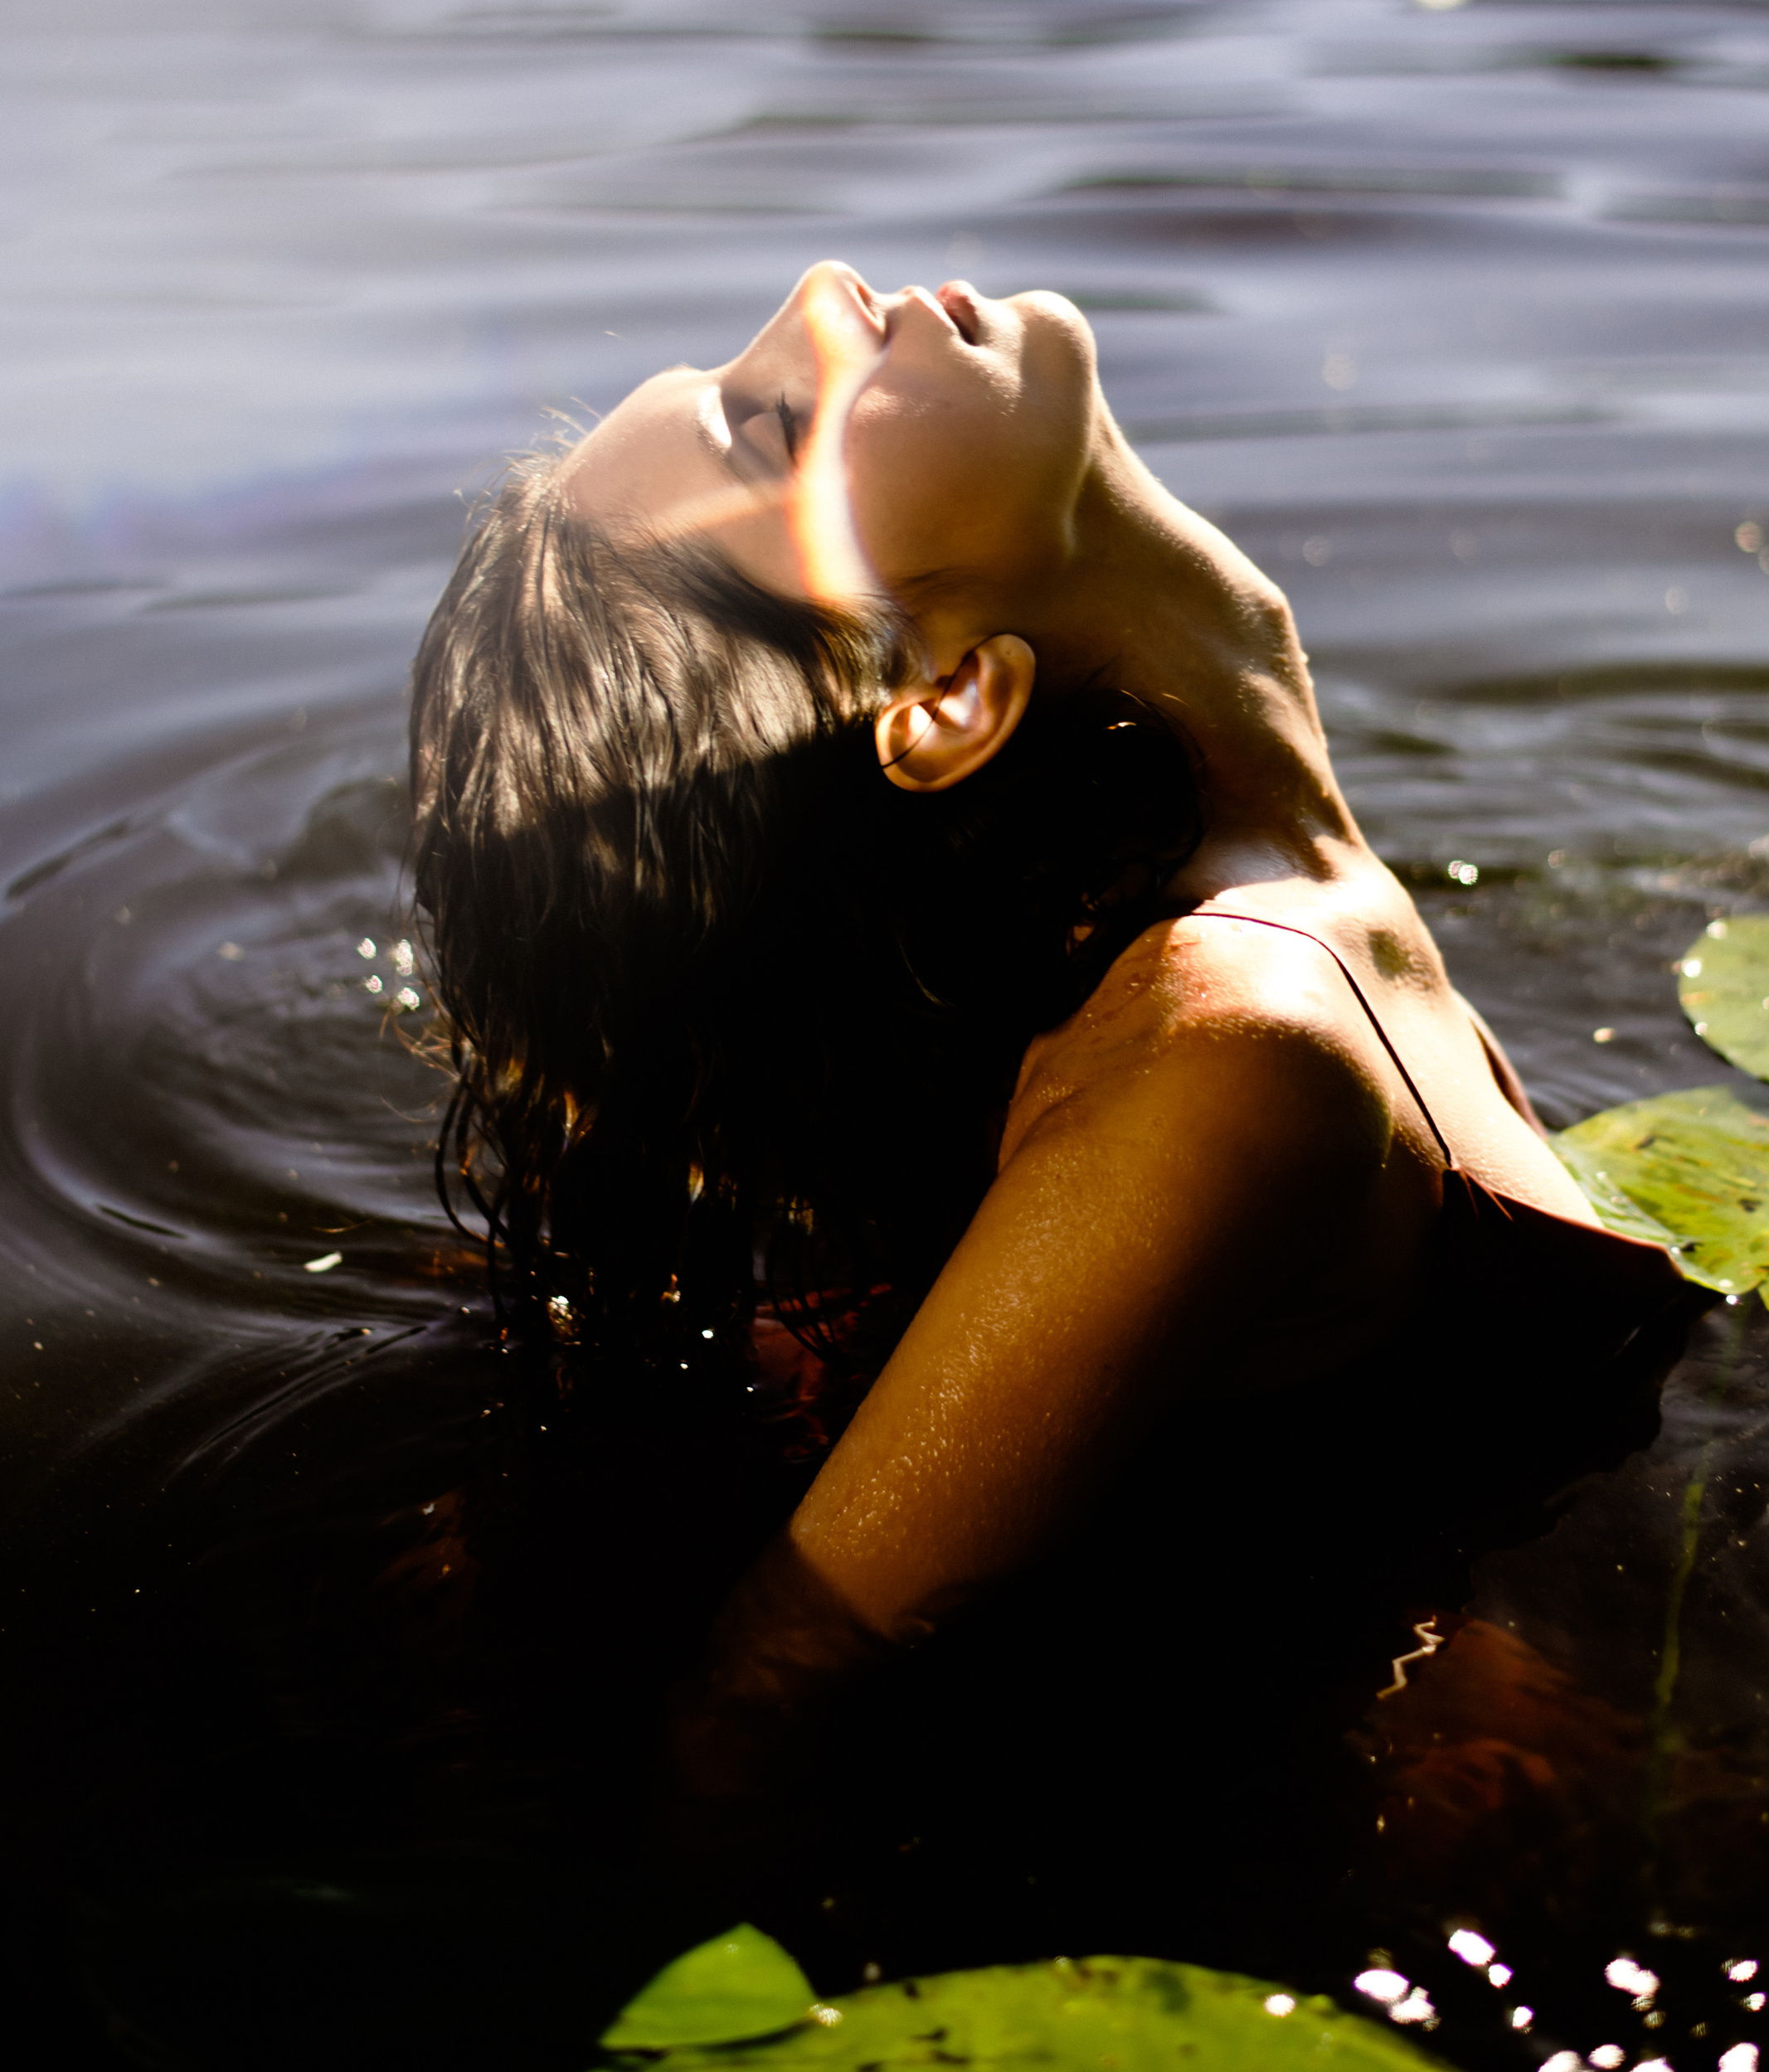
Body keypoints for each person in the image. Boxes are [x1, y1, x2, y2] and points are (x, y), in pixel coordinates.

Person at [410, 261, 1693, 1953]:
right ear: (938, 701)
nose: (817, 291)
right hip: (1421, 1877)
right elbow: (766, 1693)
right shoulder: (1226, 1049)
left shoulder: (1219, 895)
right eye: (776, 422)